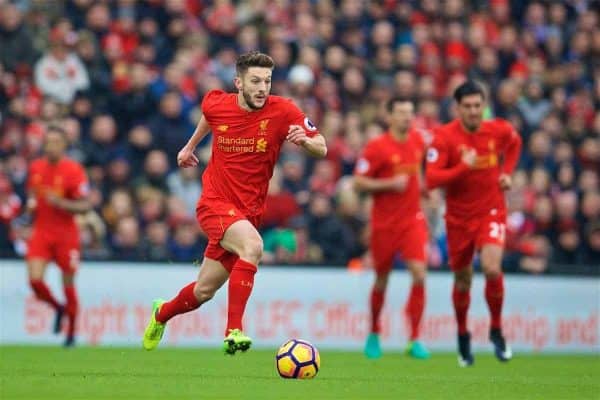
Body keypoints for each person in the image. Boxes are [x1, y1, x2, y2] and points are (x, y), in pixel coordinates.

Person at [142, 51, 327, 354]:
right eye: (255, 81)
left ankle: (161, 313)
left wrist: (306, 142)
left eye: (267, 81)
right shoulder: (218, 102)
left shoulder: (284, 111)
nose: (262, 88)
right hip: (214, 204)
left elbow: (323, 147)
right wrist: (190, 147)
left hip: (247, 214)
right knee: (253, 247)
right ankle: (234, 331)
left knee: (203, 291)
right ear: (238, 82)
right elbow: (209, 116)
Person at [425, 81, 522, 366]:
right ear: (457, 109)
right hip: (457, 218)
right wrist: (461, 167)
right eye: (467, 106)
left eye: (477, 105)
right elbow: (431, 179)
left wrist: (507, 172)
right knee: (463, 279)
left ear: (484, 105)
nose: (473, 111)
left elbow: (515, 143)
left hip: (491, 210)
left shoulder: (497, 129)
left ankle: (496, 329)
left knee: (492, 268)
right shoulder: (443, 137)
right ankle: (463, 334)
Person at [354, 97, 431, 360]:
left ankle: (415, 338)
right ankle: (374, 333)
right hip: (384, 223)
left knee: (419, 274)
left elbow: (418, 171)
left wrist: (422, 187)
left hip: (413, 220)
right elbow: (359, 182)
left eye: (410, 112)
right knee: (382, 278)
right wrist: (389, 185)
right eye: (401, 113)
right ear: (389, 116)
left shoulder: (419, 141)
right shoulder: (377, 147)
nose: (407, 118)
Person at [26, 126, 91, 347]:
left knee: (68, 285)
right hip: (41, 231)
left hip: (66, 234)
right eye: (48, 141)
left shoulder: (74, 170)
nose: (51, 146)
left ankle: (71, 334)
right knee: (35, 280)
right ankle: (58, 308)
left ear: (64, 145)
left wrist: (61, 203)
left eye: (56, 141)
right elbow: (33, 196)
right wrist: (31, 206)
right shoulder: (36, 168)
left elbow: (85, 205)